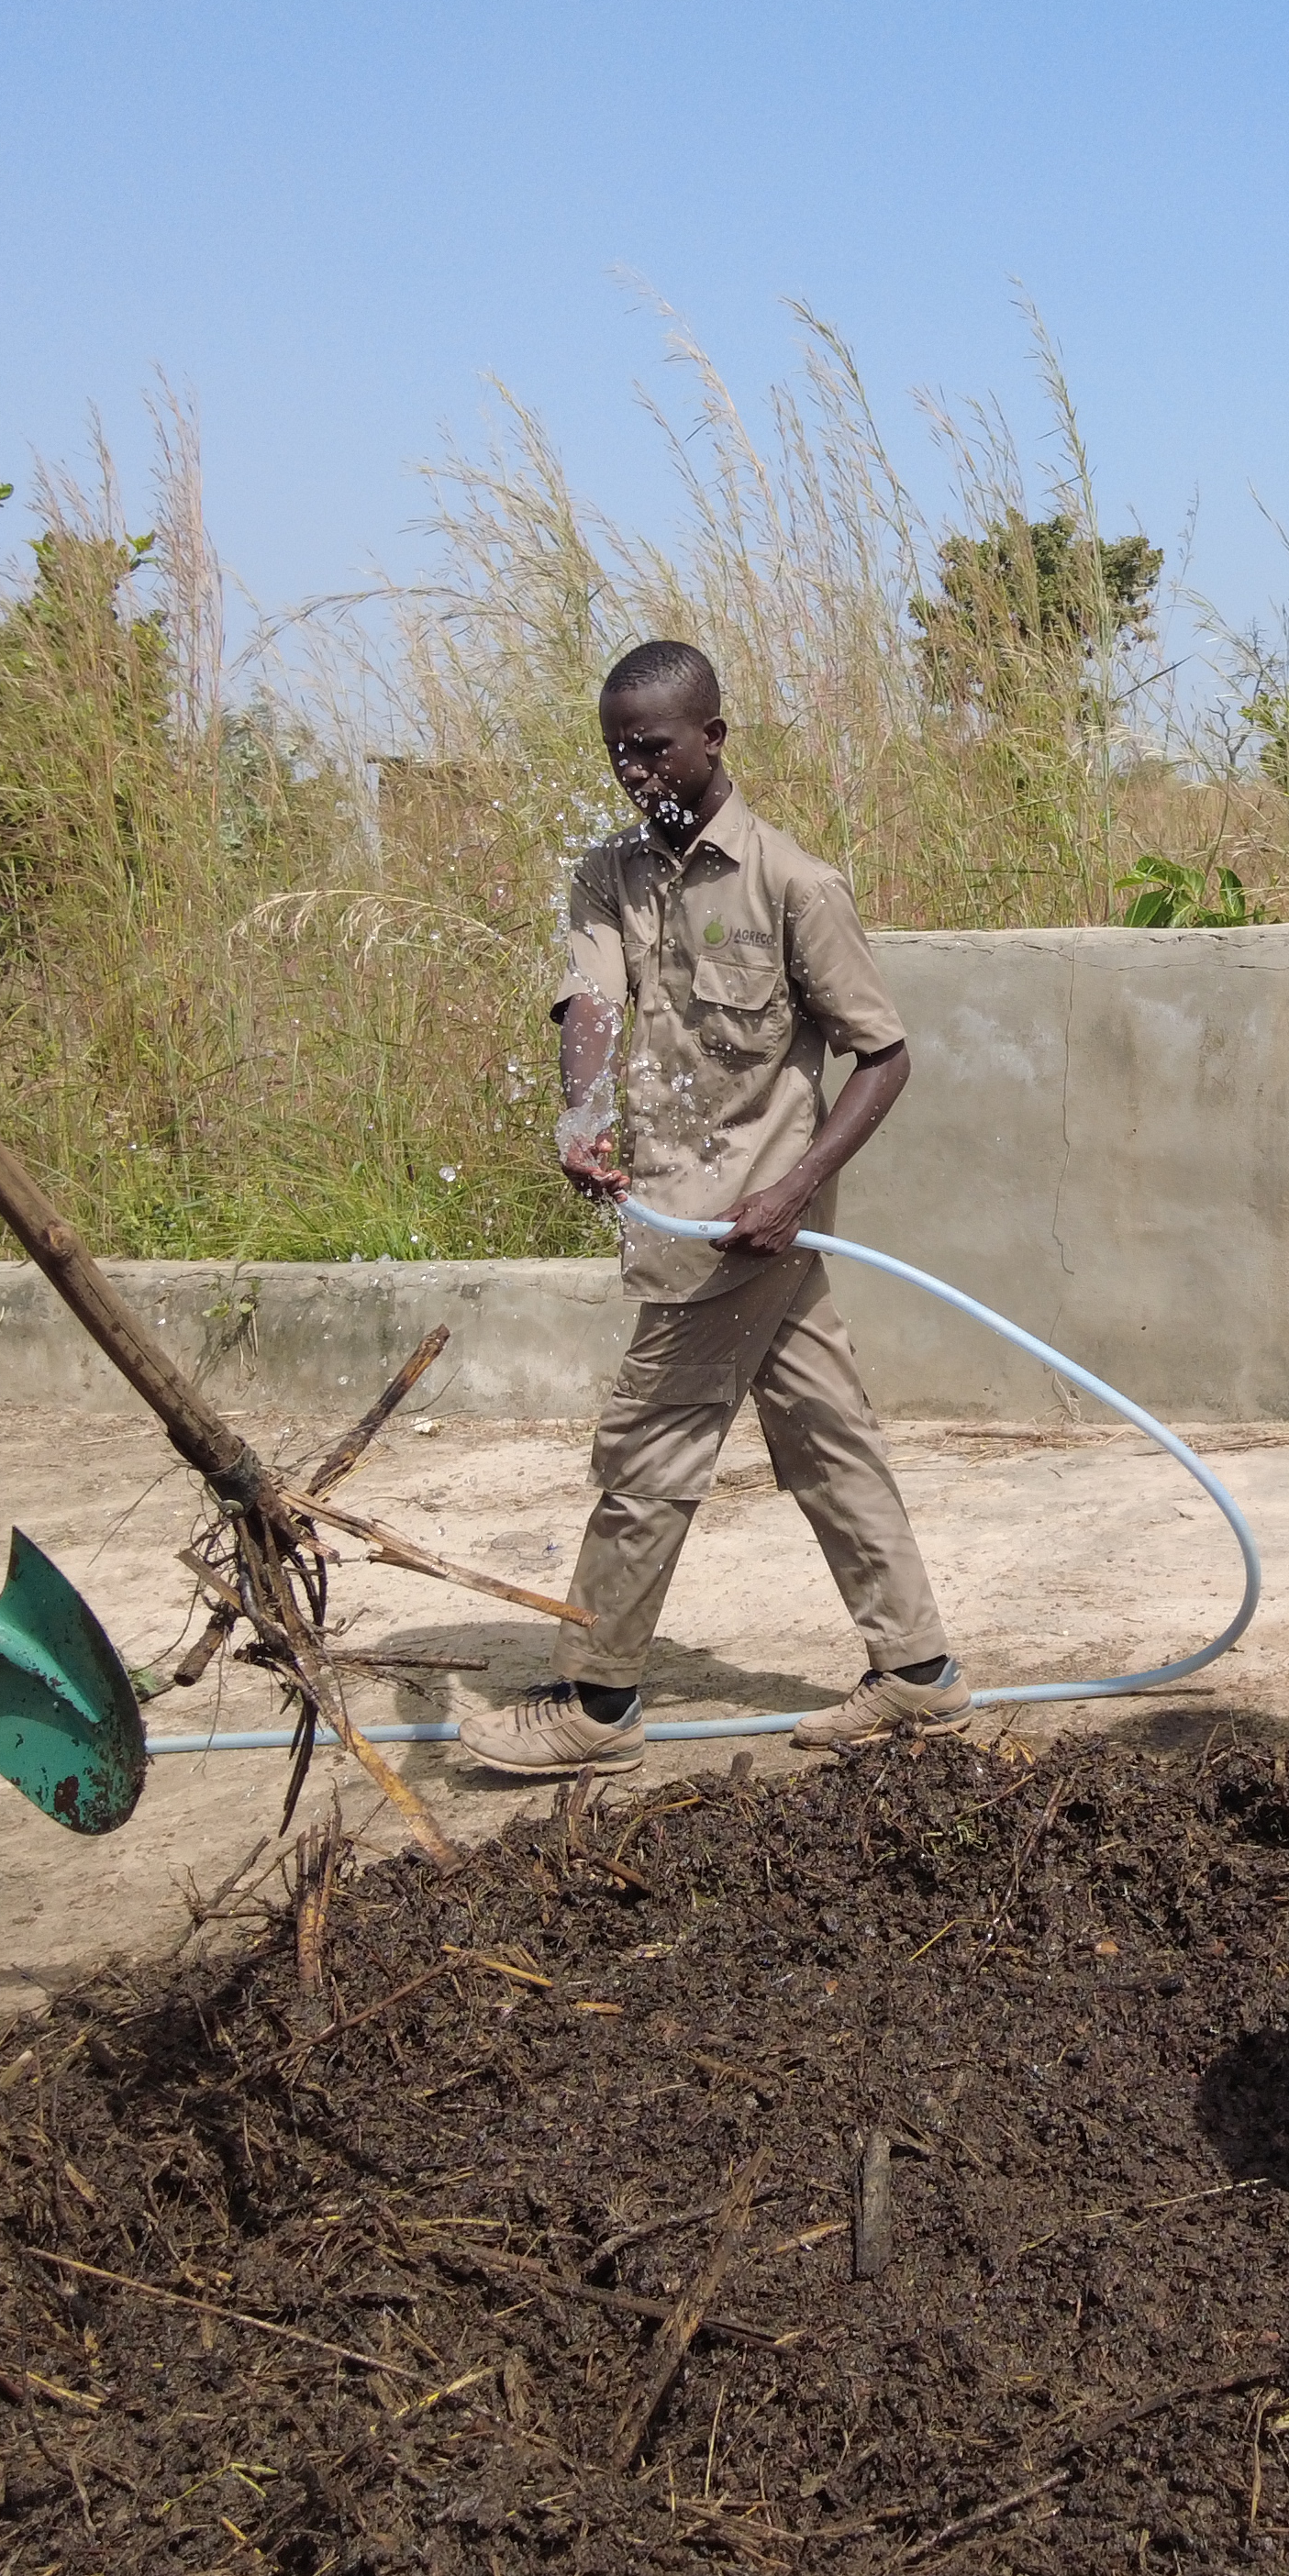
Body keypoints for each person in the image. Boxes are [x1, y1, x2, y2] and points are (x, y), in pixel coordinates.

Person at [475, 638, 957, 1777]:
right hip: (688, 1217)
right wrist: (579, 1114)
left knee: (646, 1457)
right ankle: (921, 1674)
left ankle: (596, 1705)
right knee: (827, 1438)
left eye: (653, 747)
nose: (634, 769)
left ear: (712, 740)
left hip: (746, 1230)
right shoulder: (607, 875)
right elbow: (592, 999)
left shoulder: (794, 885)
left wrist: (793, 1188)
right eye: (616, 752)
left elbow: (883, 1057)